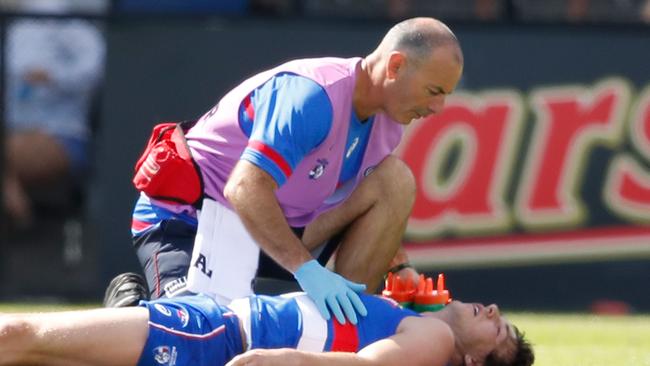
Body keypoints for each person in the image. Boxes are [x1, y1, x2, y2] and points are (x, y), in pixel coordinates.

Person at [106, 17, 464, 326]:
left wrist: (399, 268)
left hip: (271, 229)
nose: (438, 107)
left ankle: (345, 332)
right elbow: (244, 188)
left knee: (394, 182)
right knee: (196, 335)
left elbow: (360, 203)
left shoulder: (390, 122)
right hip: (191, 219)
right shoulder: (313, 95)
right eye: (434, 91)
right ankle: (128, 309)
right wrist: (307, 270)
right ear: (396, 66)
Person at [0, 292, 534, 366]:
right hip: (219, 329)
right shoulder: (422, 317)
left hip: (219, 338)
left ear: (472, 362)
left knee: (23, 335)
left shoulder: (437, 342)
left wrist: (286, 361)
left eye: (500, 333)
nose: (491, 311)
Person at [2, 1, 105, 228]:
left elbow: (96, 64)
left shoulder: (59, 17)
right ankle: (12, 198)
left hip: (63, 134)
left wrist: (55, 77)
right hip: (16, 131)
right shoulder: (15, 25)